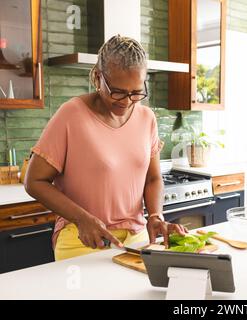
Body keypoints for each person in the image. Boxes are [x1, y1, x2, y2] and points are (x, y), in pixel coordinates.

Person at [24, 35, 187, 261]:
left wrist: (156, 216)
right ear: (98, 77)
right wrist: (82, 219)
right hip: (83, 239)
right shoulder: (71, 115)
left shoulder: (146, 117)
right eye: (118, 91)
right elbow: (34, 181)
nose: (127, 101)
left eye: (136, 92)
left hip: (136, 240)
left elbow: (152, 179)